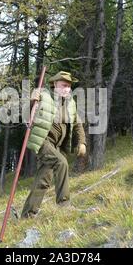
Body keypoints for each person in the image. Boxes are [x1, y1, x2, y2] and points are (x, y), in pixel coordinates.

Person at [21, 71, 87, 218]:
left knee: (43, 180)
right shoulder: (43, 96)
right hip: (42, 141)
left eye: (69, 86)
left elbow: (78, 125)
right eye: (63, 85)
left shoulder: (71, 103)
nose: (67, 89)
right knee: (62, 163)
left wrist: (82, 142)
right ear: (55, 84)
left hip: (56, 146)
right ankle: (64, 204)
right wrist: (32, 102)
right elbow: (26, 117)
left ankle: (27, 215)